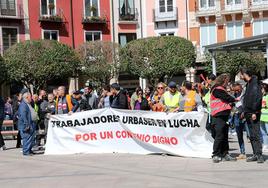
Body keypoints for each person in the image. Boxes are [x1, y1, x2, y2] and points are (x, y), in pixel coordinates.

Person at [210, 74, 237, 163]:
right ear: (224, 80)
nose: (228, 82)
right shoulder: (217, 89)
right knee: (220, 135)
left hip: (223, 115)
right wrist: (234, 99)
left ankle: (225, 154)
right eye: (227, 81)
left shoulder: (221, 89)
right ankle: (216, 154)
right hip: (218, 115)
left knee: (224, 135)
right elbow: (226, 97)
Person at [240, 68, 264, 163]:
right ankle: (255, 154)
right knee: (251, 135)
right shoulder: (249, 83)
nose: (241, 77)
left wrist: (254, 112)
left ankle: (259, 155)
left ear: (245, 74)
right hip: (247, 112)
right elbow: (247, 99)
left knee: (256, 134)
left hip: (254, 113)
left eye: (242, 75)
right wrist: (244, 111)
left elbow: (257, 99)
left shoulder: (255, 83)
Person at [18, 91, 38, 156]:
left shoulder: (27, 103)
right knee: (27, 137)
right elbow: (23, 115)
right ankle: (26, 152)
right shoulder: (23, 105)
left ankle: (29, 150)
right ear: (26, 97)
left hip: (31, 123)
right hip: (26, 124)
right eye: (30, 97)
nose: (31, 98)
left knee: (30, 138)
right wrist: (26, 124)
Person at [232, 82, 247, 159]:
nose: (236, 92)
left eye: (237, 90)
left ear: (241, 87)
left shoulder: (246, 93)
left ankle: (256, 152)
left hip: (246, 116)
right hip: (237, 116)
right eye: (235, 90)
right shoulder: (233, 95)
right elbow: (233, 105)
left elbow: (248, 104)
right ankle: (242, 152)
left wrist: (244, 111)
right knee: (239, 135)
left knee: (250, 135)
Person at [260, 79, 268, 153]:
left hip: (266, 117)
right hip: (262, 117)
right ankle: (265, 145)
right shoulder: (263, 95)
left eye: (265, 85)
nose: (263, 86)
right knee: (263, 133)